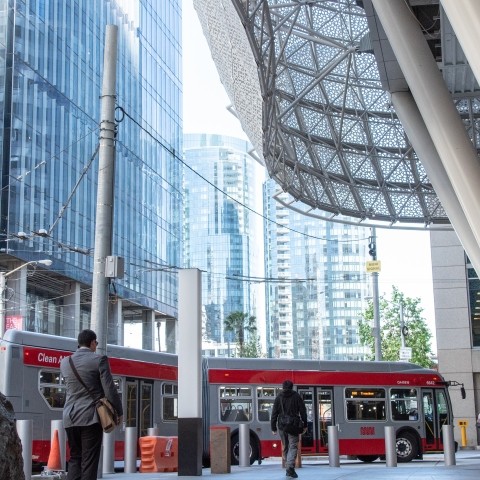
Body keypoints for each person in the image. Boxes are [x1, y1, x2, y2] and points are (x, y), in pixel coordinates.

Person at [60, 329, 123, 480]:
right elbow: (110, 389)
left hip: (69, 417)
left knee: (75, 458)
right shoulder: (99, 360)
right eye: (96, 343)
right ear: (93, 342)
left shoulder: (65, 362)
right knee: (89, 461)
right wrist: (119, 412)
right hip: (90, 417)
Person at [271, 380, 307, 478]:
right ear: (292, 387)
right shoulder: (296, 396)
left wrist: (273, 427)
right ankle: (290, 467)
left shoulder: (278, 397)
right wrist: (305, 425)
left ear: (283, 387)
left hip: (282, 426)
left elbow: (274, 413)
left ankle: (289, 468)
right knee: (293, 446)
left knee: (286, 446)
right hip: (293, 425)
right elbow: (303, 411)